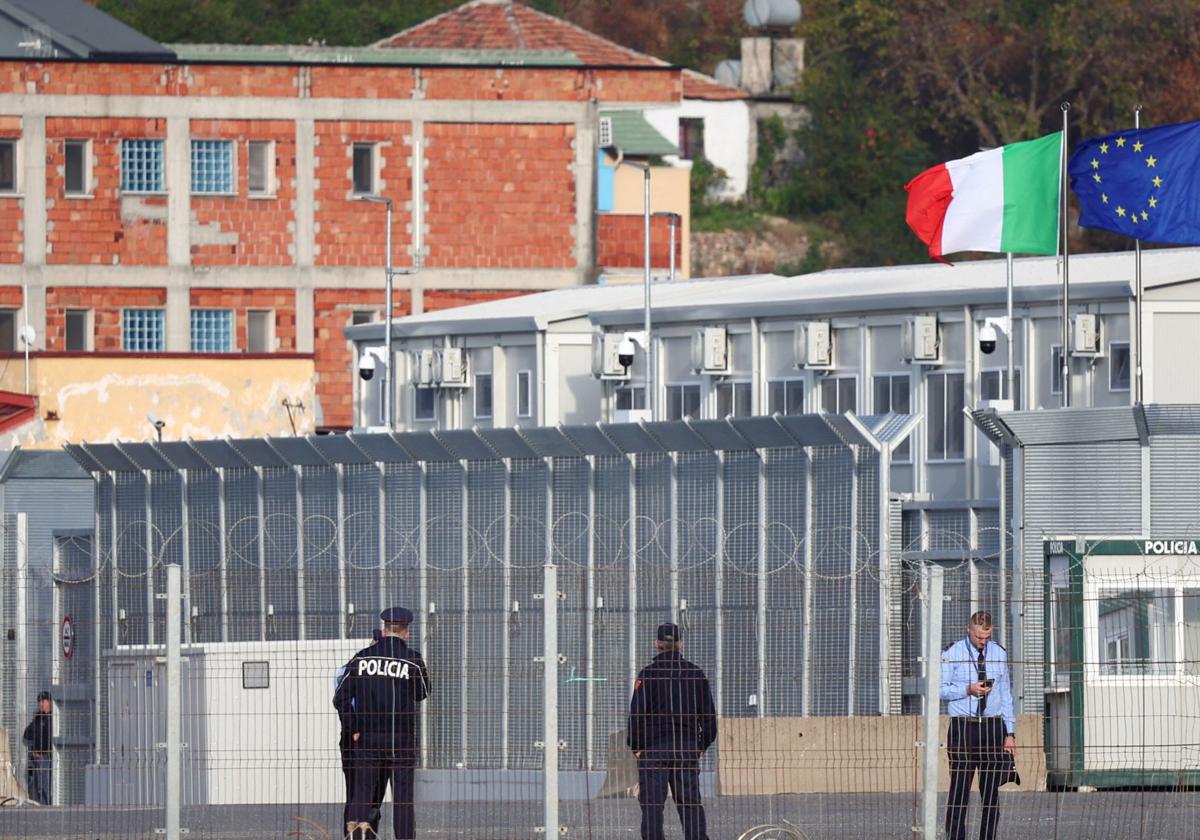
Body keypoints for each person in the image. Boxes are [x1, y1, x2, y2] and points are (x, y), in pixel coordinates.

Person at [334, 608, 430, 840]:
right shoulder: (413, 660)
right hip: (401, 740)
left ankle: (356, 838)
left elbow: (341, 697)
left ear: (385, 629)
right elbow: (422, 693)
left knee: (362, 795)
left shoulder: (362, 658)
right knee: (403, 799)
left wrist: (354, 727)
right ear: (406, 632)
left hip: (368, 739)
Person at [627, 623, 716, 840]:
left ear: (657, 644)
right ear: (680, 644)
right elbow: (709, 718)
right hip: (686, 748)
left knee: (652, 807)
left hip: (654, 750)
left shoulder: (647, 675)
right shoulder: (695, 674)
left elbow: (637, 714)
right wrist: (701, 745)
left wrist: (637, 746)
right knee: (690, 804)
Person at [941, 611, 1017, 840]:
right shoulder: (952, 653)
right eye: (978, 637)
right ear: (969, 629)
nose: (982, 642)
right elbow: (939, 690)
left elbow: (1006, 694)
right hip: (963, 727)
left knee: (991, 792)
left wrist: (1010, 732)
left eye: (986, 637)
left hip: (993, 727)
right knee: (960, 788)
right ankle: (955, 837)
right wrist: (967, 690)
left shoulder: (999, 653)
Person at [335, 629, 384, 835]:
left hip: (367, 736)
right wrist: (354, 728)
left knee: (368, 796)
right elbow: (343, 702)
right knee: (360, 795)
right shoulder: (352, 669)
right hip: (358, 737)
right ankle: (355, 835)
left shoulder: (349, 670)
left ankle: (365, 834)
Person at [22, 691, 52, 805]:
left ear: (49, 702)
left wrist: (40, 750)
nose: (40, 704)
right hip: (36, 757)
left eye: (43, 701)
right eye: (39, 701)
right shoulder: (38, 718)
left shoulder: (52, 718)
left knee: (46, 784)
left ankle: (47, 805)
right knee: (38, 783)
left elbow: (49, 738)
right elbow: (27, 734)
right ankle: (41, 805)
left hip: (46, 756)